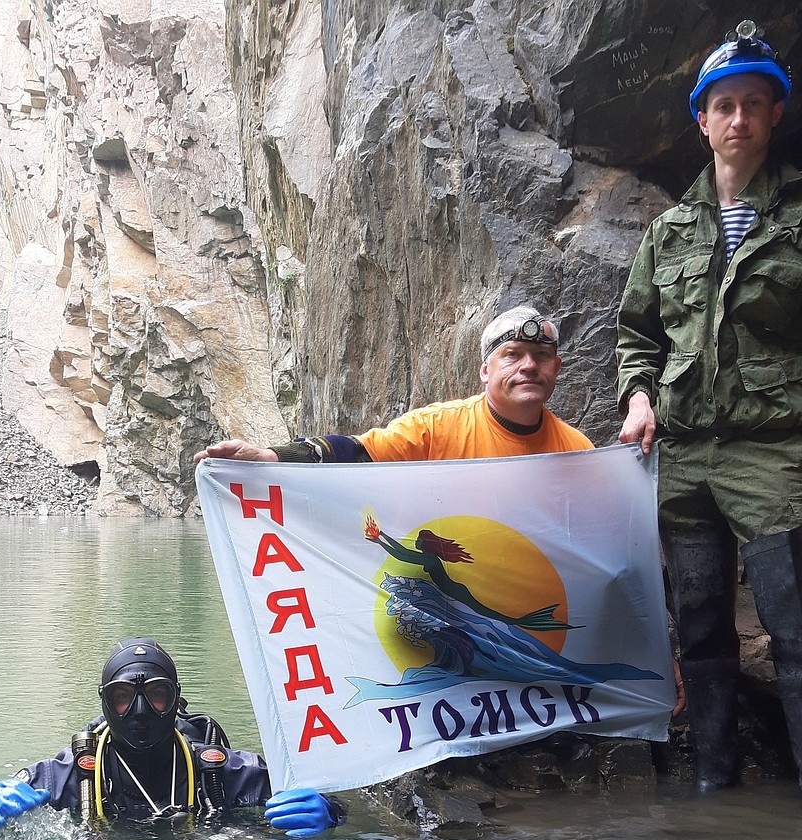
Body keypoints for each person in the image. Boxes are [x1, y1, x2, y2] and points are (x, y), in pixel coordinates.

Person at [615, 20, 802, 790]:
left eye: (753, 104)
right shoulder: (669, 233)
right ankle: (712, 785)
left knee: (793, 629)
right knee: (699, 629)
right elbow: (637, 333)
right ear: (702, 119)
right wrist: (636, 396)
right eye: (723, 105)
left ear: (775, 115)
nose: (738, 119)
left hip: (773, 452)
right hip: (685, 457)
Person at [0, 637, 344, 840]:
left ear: (174, 699)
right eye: (123, 698)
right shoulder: (69, 776)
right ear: (105, 702)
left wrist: (332, 812)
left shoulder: (217, 772)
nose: (141, 712)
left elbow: (331, 797)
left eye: (157, 694)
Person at [194, 303, 594, 465]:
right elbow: (357, 451)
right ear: (485, 370)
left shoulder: (580, 453)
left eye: (541, 356)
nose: (529, 366)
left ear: (556, 368)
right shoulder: (437, 430)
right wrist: (271, 458)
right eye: (513, 354)